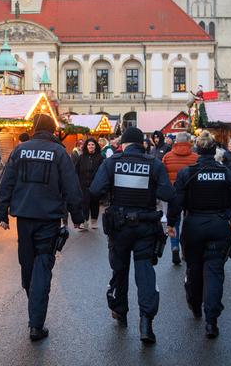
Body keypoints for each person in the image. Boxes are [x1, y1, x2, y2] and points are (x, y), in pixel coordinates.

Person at [0, 114, 84, 341]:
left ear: (34, 129)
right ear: (53, 130)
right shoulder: (59, 153)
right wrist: (77, 216)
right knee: (42, 267)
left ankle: (33, 302)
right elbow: (71, 186)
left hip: (24, 218)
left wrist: (1, 210)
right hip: (48, 219)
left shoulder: (20, 150)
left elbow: (6, 181)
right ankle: (36, 324)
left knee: (27, 265)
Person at [89, 126, 175, 344]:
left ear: (124, 144)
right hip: (146, 226)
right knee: (145, 272)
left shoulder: (112, 162)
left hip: (119, 227)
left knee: (120, 269)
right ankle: (146, 323)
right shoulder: (153, 164)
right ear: (142, 144)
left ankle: (120, 312)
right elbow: (167, 194)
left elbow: (95, 190)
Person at [166, 130, 231, 339]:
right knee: (215, 272)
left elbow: (177, 202)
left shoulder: (187, 173)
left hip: (193, 226)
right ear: (214, 150)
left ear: (197, 150)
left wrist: (172, 223)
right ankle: (212, 321)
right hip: (219, 226)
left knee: (194, 269)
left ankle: (195, 305)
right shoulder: (226, 173)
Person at [161, 132, 198, 265]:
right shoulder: (196, 157)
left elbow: (163, 176)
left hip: (173, 194)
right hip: (191, 195)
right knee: (188, 223)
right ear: (189, 141)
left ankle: (174, 246)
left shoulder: (167, 156)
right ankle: (185, 251)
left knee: (174, 221)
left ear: (176, 141)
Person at [74, 138, 104, 230]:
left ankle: (94, 221)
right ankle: (84, 222)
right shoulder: (81, 157)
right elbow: (76, 170)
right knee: (84, 203)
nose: (90, 146)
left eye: (92, 145)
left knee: (94, 203)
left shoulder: (100, 157)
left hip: (95, 184)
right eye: (89, 145)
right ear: (86, 146)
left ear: (96, 146)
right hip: (83, 184)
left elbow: (103, 172)